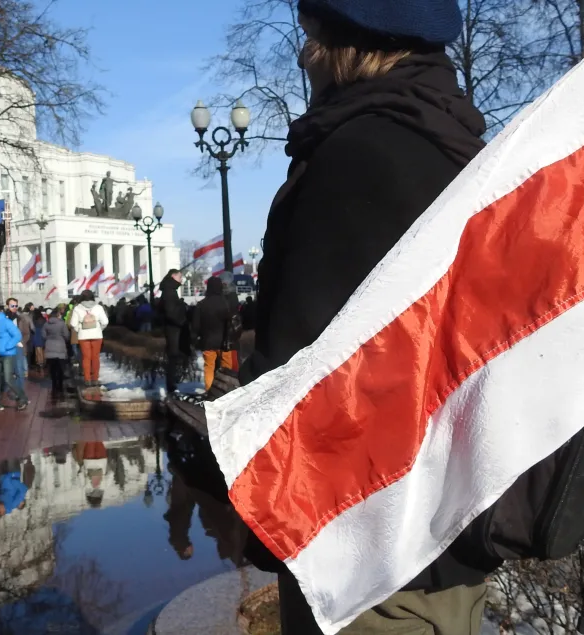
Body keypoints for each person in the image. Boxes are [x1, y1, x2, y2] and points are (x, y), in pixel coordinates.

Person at [241, 2, 490, 632]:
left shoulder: (358, 156)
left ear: (346, 43)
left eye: (312, 35)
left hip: (363, 550)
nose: (304, 56)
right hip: (442, 534)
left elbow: (307, 375)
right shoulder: (458, 146)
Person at [0, 309, 29, 412]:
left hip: (8, 354)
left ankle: (22, 398)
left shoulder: (6, 323)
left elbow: (17, 335)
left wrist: (7, 346)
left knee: (8, 379)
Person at [193, 277, 233, 390]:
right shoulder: (226, 303)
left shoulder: (201, 305)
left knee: (209, 367)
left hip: (208, 341)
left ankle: (210, 391)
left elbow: (195, 326)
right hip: (225, 342)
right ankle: (226, 391)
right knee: (226, 369)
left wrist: (194, 338)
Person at [68, 290, 109, 386]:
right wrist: (99, 329)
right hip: (97, 335)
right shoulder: (98, 307)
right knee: (95, 357)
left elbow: (73, 324)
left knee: (86, 358)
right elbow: (105, 322)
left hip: (83, 336)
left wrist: (80, 330)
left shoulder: (77, 308)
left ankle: (87, 379)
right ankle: (95, 378)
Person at [157, 270, 188, 393]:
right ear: (173, 276)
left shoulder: (168, 290)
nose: (181, 279)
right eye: (180, 276)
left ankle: (172, 382)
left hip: (172, 328)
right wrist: (181, 309)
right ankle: (171, 384)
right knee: (173, 356)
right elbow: (171, 312)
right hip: (173, 329)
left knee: (173, 356)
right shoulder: (170, 292)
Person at [43, 304, 71, 399]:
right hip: (60, 348)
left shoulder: (46, 324)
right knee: (60, 369)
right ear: (58, 315)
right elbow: (67, 335)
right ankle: (60, 387)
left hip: (49, 348)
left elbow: (43, 335)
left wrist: (48, 339)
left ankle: (54, 387)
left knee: (52, 369)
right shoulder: (62, 323)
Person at [6, 297, 33, 393]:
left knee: (19, 370)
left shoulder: (21, 319)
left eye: (16, 306)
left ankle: (19, 392)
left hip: (18, 346)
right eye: (12, 305)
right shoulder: (3, 318)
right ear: (7, 306)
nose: (14, 307)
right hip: (6, 347)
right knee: (6, 371)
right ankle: (6, 390)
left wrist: (21, 342)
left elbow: (27, 333)